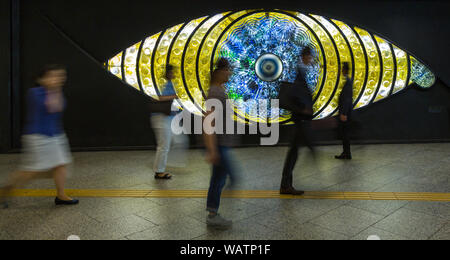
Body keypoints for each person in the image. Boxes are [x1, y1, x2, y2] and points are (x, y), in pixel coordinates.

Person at [0, 64, 78, 208]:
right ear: (41, 79)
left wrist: (55, 89)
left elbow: (59, 107)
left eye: (60, 76)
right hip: (38, 136)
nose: (57, 79)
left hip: (56, 135)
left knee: (61, 166)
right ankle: (7, 188)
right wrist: (54, 89)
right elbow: (51, 106)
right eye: (52, 76)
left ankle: (61, 195)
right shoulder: (35, 93)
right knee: (32, 171)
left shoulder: (57, 93)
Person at [203, 58, 236, 230]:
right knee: (229, 178)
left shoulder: (219, 90)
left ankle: (212, 213)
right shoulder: (215, 92)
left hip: (221, 144)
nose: (230, 73)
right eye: (228, 70)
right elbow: (208, 121)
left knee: (218, 179)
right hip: (219, 145)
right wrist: (212, 149)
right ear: (220, 72)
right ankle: (213, 215)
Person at [280, 47, 316, 196]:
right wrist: (303, 109)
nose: (311, 60)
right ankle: (285, 185)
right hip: (299, 119)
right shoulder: (299, 72)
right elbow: (295, 94)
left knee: (293, 152)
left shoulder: (301, 72)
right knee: (293, 152)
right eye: (309, 57)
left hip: (300, 119)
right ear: (304, 57)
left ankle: (286, 184)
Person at [151, 65, 187, 180]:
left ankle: (168, 163)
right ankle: (159, 171)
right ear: (166, 73)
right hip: (161, 117)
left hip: (170, 117)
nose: (173, 74)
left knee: (179, 140)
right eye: (171, 72)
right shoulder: (160, 83)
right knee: (164, 146)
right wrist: (175, 96)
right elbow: (157, 97)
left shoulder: (172, 83)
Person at [335, 62, 354, 160]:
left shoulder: (348, 82)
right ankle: (346, 153)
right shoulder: (347, 81)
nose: (341, 71)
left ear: (344, 70)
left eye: (342, 69)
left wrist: (344, 113)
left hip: (345, 113)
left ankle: (347, 153)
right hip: (345, 112)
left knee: (345, 134)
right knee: (344, 134)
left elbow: (347, 99)